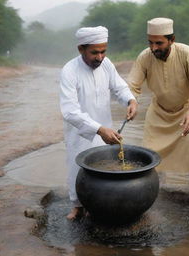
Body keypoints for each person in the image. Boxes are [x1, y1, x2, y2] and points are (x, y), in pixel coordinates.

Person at [128, 18, 189, 198]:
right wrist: (132, 102)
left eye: (159, 43)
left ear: (172, 40)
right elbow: (132, 86)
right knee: (152, 152)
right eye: (150, 42)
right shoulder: (145, 57)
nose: (153, 48)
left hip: (186, 112)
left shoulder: (187, 54)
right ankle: (156, 188)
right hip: (157, 113)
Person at [59, 26, 137, 220]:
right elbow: (70, 111)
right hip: (80, 132)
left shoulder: (107, 64)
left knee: (103, 168)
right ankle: (77, 206)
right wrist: (98, 129)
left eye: (103, 51)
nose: (100, 57)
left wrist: (130, 101)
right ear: (81, 49)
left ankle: (98, 205)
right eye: (95, 52)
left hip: (106, 129)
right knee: (77, 168)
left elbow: (119, 87)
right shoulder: (69, 71)